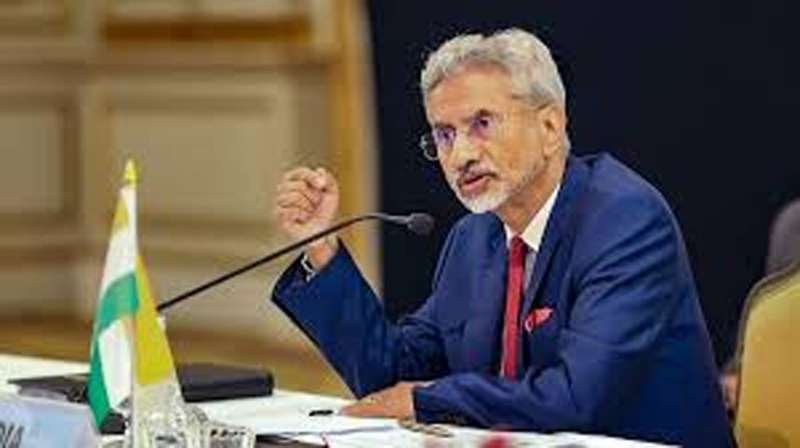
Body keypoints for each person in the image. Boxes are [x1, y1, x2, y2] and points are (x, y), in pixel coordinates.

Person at [271, 28, 733, 447]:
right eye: (444, 135)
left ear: (550, 127)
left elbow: (576, 397)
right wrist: (322, 248)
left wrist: (428, 398)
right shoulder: (474, 238)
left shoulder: (623, 219)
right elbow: (392, 377)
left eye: (483, 124)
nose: (461, 155)